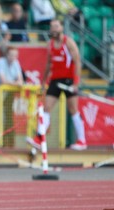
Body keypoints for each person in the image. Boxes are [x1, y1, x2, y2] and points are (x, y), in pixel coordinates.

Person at [27, 19, 86, 150]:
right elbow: (48, 64)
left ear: (61, 28)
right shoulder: (50, 44)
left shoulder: (68, 42)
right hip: (55, 80)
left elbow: (77, 61)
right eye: (51, 27)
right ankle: (39, 137)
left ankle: (82, 140)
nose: (53, 29)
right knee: (46, 108)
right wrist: (44, 81)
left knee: (73, 109)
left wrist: (76, 82)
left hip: (68, 80)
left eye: (56, 26)